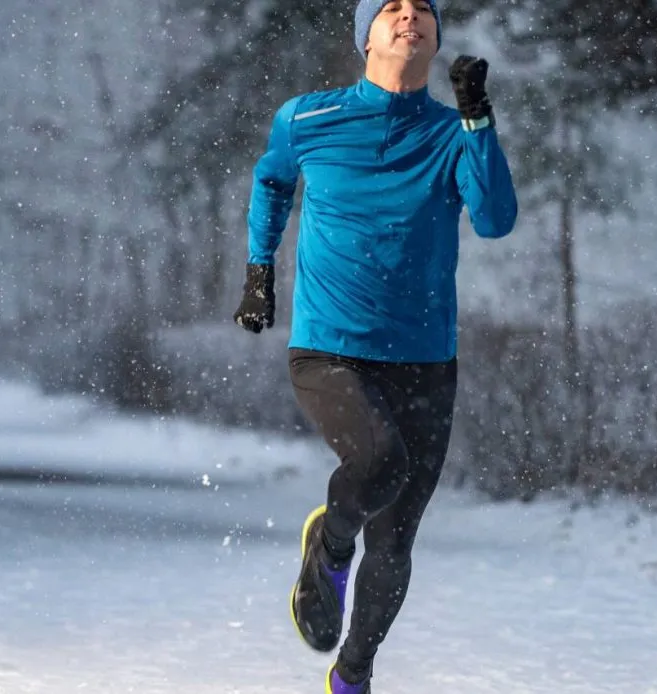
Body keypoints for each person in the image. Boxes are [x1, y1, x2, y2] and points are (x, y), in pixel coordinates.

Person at [232, 1, 518, 691]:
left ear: (436, 37)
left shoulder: (452, 133)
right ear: (366, 36)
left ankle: (353, 674)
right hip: (331, 346)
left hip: (425, 356)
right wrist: (259, 272)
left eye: (422, 8)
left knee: (394, 538)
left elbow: (496, 218)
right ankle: (328, 548)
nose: (408, 15)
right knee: (381, 463)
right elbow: (271, 180)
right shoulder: (307, 117)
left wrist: (478, 119)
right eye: (390, 7)